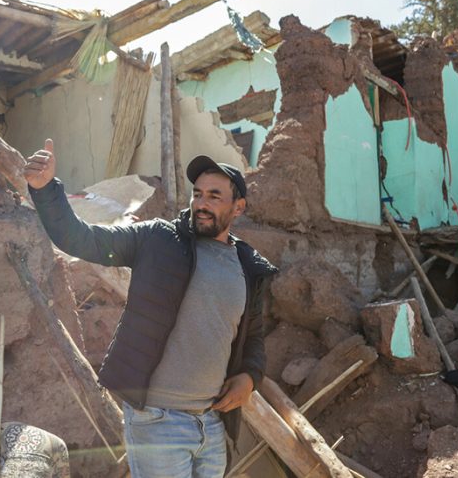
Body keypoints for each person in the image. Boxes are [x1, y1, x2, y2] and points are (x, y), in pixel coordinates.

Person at [25, 139, 277, 478]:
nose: (201, 203)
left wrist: (249, 377)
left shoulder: (249, 267)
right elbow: (79, 238)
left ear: (239, 207)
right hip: (159, 423)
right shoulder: (157, 239)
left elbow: (254, 338)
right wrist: (45, 190)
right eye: (197, 194)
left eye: (214, 197)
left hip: (213, 423)